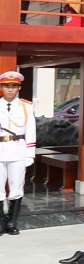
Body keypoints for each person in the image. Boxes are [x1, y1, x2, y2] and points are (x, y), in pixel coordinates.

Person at [0, 71, 36, 235]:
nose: (10, 90)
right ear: (1, 87)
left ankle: (12, 223)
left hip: (18, 151)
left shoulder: (26, 106)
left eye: (13, 86)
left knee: (16, 188)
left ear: (19, 88)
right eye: (6, 86)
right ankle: (1, 222)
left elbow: (31, 131)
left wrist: (30, 153)